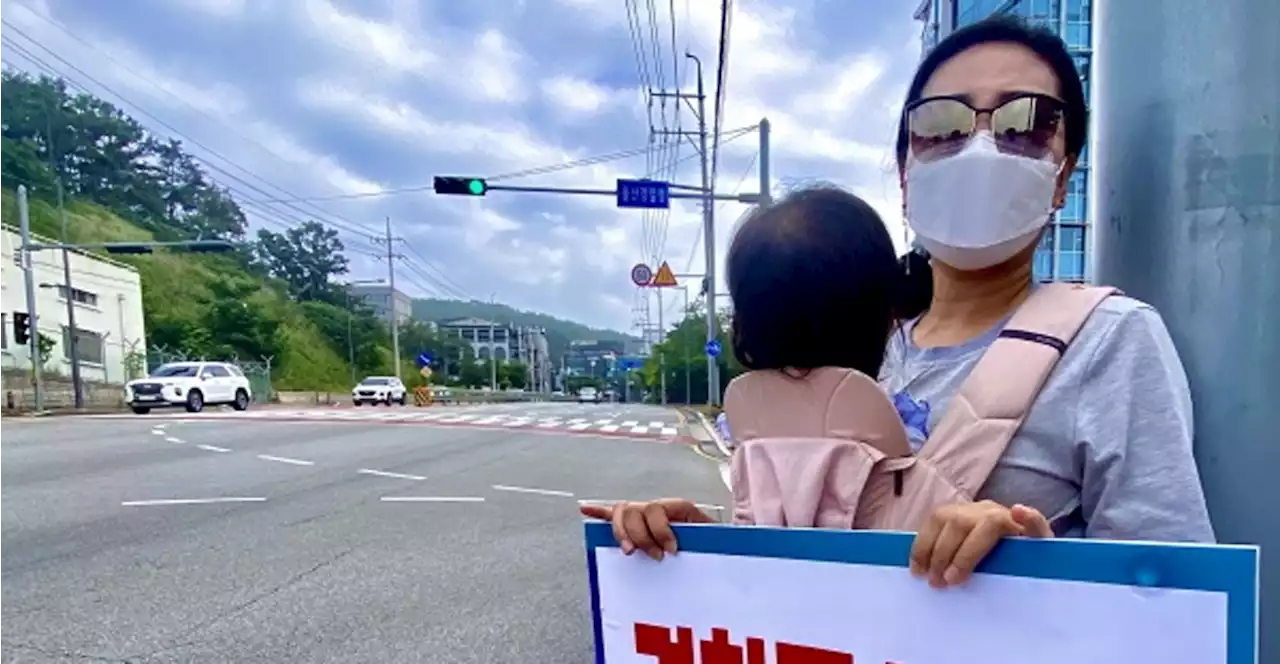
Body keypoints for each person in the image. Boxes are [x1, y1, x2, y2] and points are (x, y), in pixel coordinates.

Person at [581, 15, 1214, 588]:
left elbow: (1174, 599)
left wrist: (1034, 568)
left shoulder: (1109, 339)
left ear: (1064, 173)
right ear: (906, 170)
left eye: (1026, 123)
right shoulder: (844, 342)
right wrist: (695, 543)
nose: (983, 146)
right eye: (944, 125)